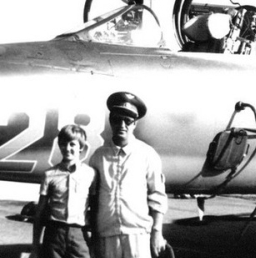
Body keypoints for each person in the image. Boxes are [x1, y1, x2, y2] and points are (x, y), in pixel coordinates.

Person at [89, 91, 168, 258]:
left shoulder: (147, 154)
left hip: (138, 235)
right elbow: (93, 199)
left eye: (128, 120)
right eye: (117, 119)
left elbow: (157, 196)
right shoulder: (98, 156)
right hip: (107, 236)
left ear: (135, 124)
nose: (122, 125)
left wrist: (157, 233)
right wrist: (93, 235)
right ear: (111, 121)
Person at [31, 124, 97, 258]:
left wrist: (94, 241)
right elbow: (39, 214)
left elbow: (95, 209)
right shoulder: (49, 174)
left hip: (79, 235)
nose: (67, 148)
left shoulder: (90, 174)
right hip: (54, 234)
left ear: (81, 148)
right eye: (63, 144)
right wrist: (35, 247)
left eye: (72, 144)